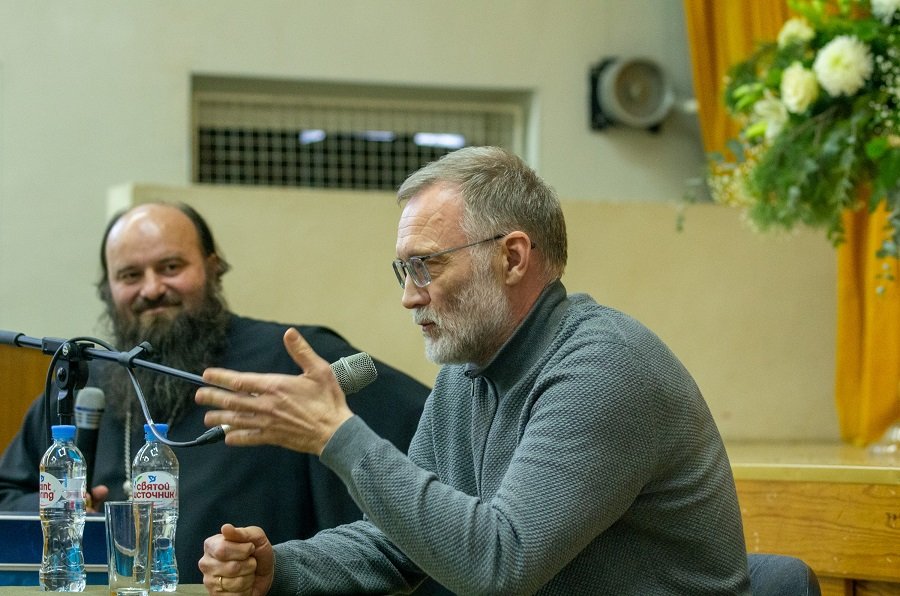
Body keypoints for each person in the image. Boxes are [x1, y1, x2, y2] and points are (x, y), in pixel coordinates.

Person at [196, 146, 752, 595]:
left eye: (427, 265)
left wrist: (336, 434)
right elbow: (399, 544)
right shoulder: (465, 374)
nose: (410, 296)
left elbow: (500, 566)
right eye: (403, 271)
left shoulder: (604, 365)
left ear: (512, 258)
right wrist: (279, 570)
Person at [0, 202, 430, 585]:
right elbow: (8, 496)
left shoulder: (288, 359)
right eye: (130, 275)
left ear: (213, 267)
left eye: (171, 267)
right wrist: (62, 508)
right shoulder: (86, 384)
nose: (152, 289)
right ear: (107, 288)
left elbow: (432, 423)